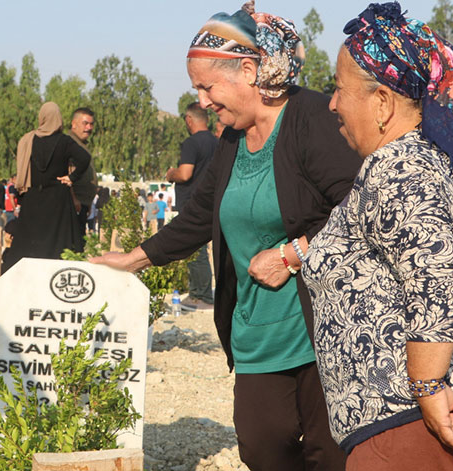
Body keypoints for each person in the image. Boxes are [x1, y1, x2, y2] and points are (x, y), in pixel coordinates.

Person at [91, 3, 359, 469]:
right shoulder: (232, 140)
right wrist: (134, 258)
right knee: (261, 448)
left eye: (206, 86)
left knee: (329, 454)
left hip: (323, 328)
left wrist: (294, 254)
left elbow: (361, 206)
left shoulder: (312, 118)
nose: (202, 99)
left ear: (249, 71)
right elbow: (198, 216)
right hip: (256, 331)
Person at [302, 4, 453, 470]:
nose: (331, 103)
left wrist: (429, 386)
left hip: (422, 432)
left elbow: (437, 267)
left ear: (383, 103)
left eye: (338, 89)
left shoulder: (398, 164)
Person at [3, 102, 90, 273]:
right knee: (60, 243)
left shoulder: (29, 140)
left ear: (42, 118)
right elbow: (84, 159)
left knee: (28, 242)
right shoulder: (64, 141)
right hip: (58, 198)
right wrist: (72, 178)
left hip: (33, 197)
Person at [166, 102, 217, 308]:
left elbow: (185, 174)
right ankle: (201, 293)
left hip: (192, 202)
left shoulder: (191, 143)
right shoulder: (218, 142)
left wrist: (171, 174)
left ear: (189, 119)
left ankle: (201, 296)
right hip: (212, 199)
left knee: (196, 250)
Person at [68, 107, 98, 250]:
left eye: (91, 124)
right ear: (74, 124)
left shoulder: (81, 145)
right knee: (74, 246)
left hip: (82, 204)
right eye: (85, 123)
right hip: (74, 204)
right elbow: (65, 174)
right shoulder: (69, 144)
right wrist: (73, 198)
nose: (89, 128)